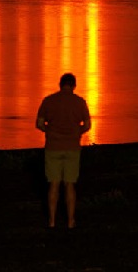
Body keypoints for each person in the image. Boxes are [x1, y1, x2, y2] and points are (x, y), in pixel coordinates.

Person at [36, 73, 92, 229]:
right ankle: (70, 221)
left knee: (53, 184)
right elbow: (87, 125)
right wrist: (77, 132)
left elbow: (39, 123)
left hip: (53, 147)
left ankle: (52, 221)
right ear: (74, 86)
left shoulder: (48, 101)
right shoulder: (80, 102)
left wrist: (49, 131)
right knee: (70, 185)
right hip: (72, 147)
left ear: (60, 85)